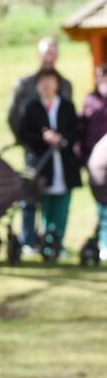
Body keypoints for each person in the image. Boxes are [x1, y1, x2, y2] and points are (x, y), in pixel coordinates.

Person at [7, 37, 73, 253]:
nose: (49, 57)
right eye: (45, 52)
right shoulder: (25, 84)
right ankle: (28, 240)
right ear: (39, 55)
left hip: (57, 152)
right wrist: (30, 139)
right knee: (29, 195)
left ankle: (51, 241)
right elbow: (14, 117)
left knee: (55, 193)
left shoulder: (64, 84)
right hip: (33, 150)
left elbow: (69, 117)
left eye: (52, 52)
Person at [18, 68, 81, 254]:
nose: (47, 85)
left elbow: (75, 131)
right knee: (42, 203)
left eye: (50, 81)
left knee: (61, 206)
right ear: (37, 85)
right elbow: (24, 133)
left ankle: (57, 243)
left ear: (57, 84)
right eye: (43, 81)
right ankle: (43, 243)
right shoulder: (31, 107)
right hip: (41, 164)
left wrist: (61, 139)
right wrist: (43, 137)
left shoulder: (67, 106)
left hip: (64, 164)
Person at [80, 64, 107, 261]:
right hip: (98, 165)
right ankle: (104, 245)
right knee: (104, 209)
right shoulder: (91, 101)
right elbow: (82, 130)